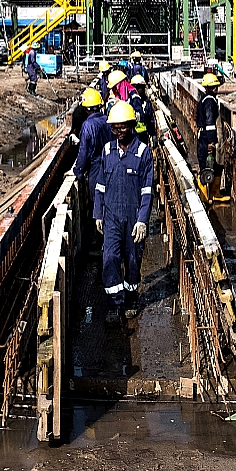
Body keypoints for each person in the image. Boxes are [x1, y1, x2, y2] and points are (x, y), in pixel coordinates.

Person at [93, 101, 154, 324]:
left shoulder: (143, 152)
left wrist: (142, 221)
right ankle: (114, 304)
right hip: (111, 217)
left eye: (123, 127)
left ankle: (130, 298)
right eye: (114, 128)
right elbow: (100, 185)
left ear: (132, 125)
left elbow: (147, 191)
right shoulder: (107, 151)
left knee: (132, 259)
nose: (118, 132)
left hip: (132, 216)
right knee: (109, 258)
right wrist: (97, 214)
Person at [73, 88, 114, 206]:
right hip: (111, 164)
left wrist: (79, 171)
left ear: (86, 109)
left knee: (97, 201)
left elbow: (83, 151)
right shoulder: (108, 120)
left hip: (96, 167)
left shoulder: (87, 125)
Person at [197, 73, 220, 178]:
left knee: (203, 165)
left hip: (202, 136)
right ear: (207, 87)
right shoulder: (210, 101)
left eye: (216, 86)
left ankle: (204, 191)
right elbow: (210, 122)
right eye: (212, 86)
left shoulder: (204, 99)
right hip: (206, 137)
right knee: (208, 169)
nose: (215, 88)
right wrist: (211, 141)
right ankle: (209, 192)